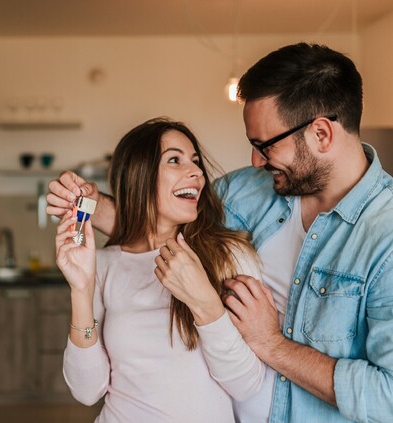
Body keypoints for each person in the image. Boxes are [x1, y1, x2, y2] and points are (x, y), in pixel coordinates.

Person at [48, 43, 393, 422]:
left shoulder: (385, 237)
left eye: (265, 146)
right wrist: (89, 204)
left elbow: (388, 397)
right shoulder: (250, 191)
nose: (255, 161)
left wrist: (271, 343)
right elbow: (161, 223)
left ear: (322, 134)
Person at [56, 117, 266, 423]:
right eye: (175, 160)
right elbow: (87, 391)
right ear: (139, 175)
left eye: (195, 161)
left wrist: (206, 304)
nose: (196, 172)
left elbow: (247, 385)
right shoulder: (104, 264)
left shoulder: (229, 256)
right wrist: (81, 290)